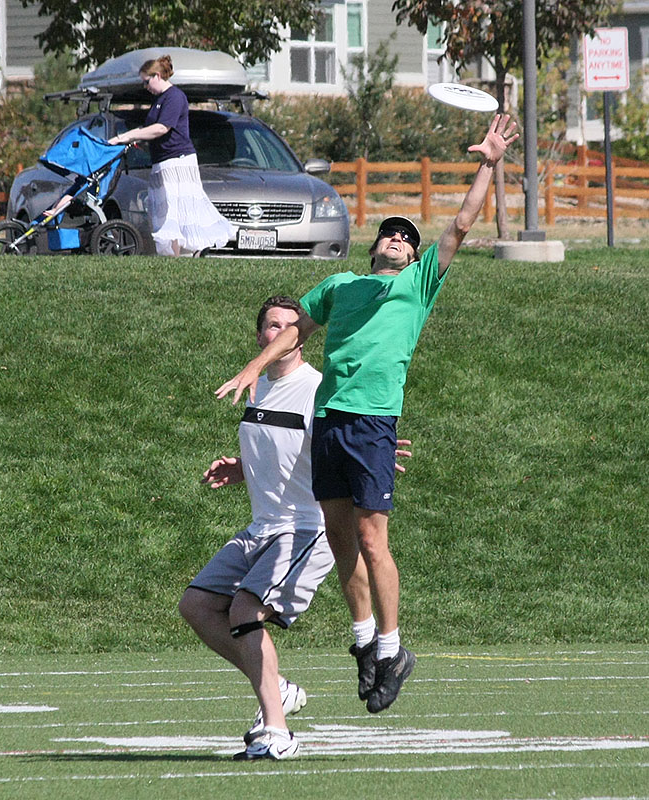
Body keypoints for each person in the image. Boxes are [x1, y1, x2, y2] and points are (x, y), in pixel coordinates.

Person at [215, 114, 519, 715]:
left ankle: (392, 646)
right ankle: (362, 641)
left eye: (407, 239)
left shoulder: (420, 283)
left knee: (375, 539)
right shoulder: (340, 284)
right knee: (340, 535)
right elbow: (299, 326)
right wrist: (254, 366)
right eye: (390, 234)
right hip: (330, 419)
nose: (398, 241)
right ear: (374, 245)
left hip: (374, 422)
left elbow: (461, 222)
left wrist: (488, 162)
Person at [179, 295, 411, 762]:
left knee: (245, 610)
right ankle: (276, 688)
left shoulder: (317, 390)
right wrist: (243, 467)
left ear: (303, 336)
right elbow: (288, 450)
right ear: (261, 336)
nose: (280, 332)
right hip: (263, 526)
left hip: (306, 528)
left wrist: (375, 452)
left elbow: (339, 446)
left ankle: (277, 732)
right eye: (271, 325)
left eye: (291, 324)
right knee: (198, 605)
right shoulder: (259, 387)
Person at [108, 54, 235, 257]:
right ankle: (171, 256)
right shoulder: (159, 99)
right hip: (162, 161)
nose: (145, 87)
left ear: (157, 76)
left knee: (177, 211)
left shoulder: (175, 97)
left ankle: (185, 254)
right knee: (165, 211)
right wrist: (136, 138)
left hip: (178, 161)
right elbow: (150, 128)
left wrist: (125, 136)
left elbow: (161, 128)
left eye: (146, 81)